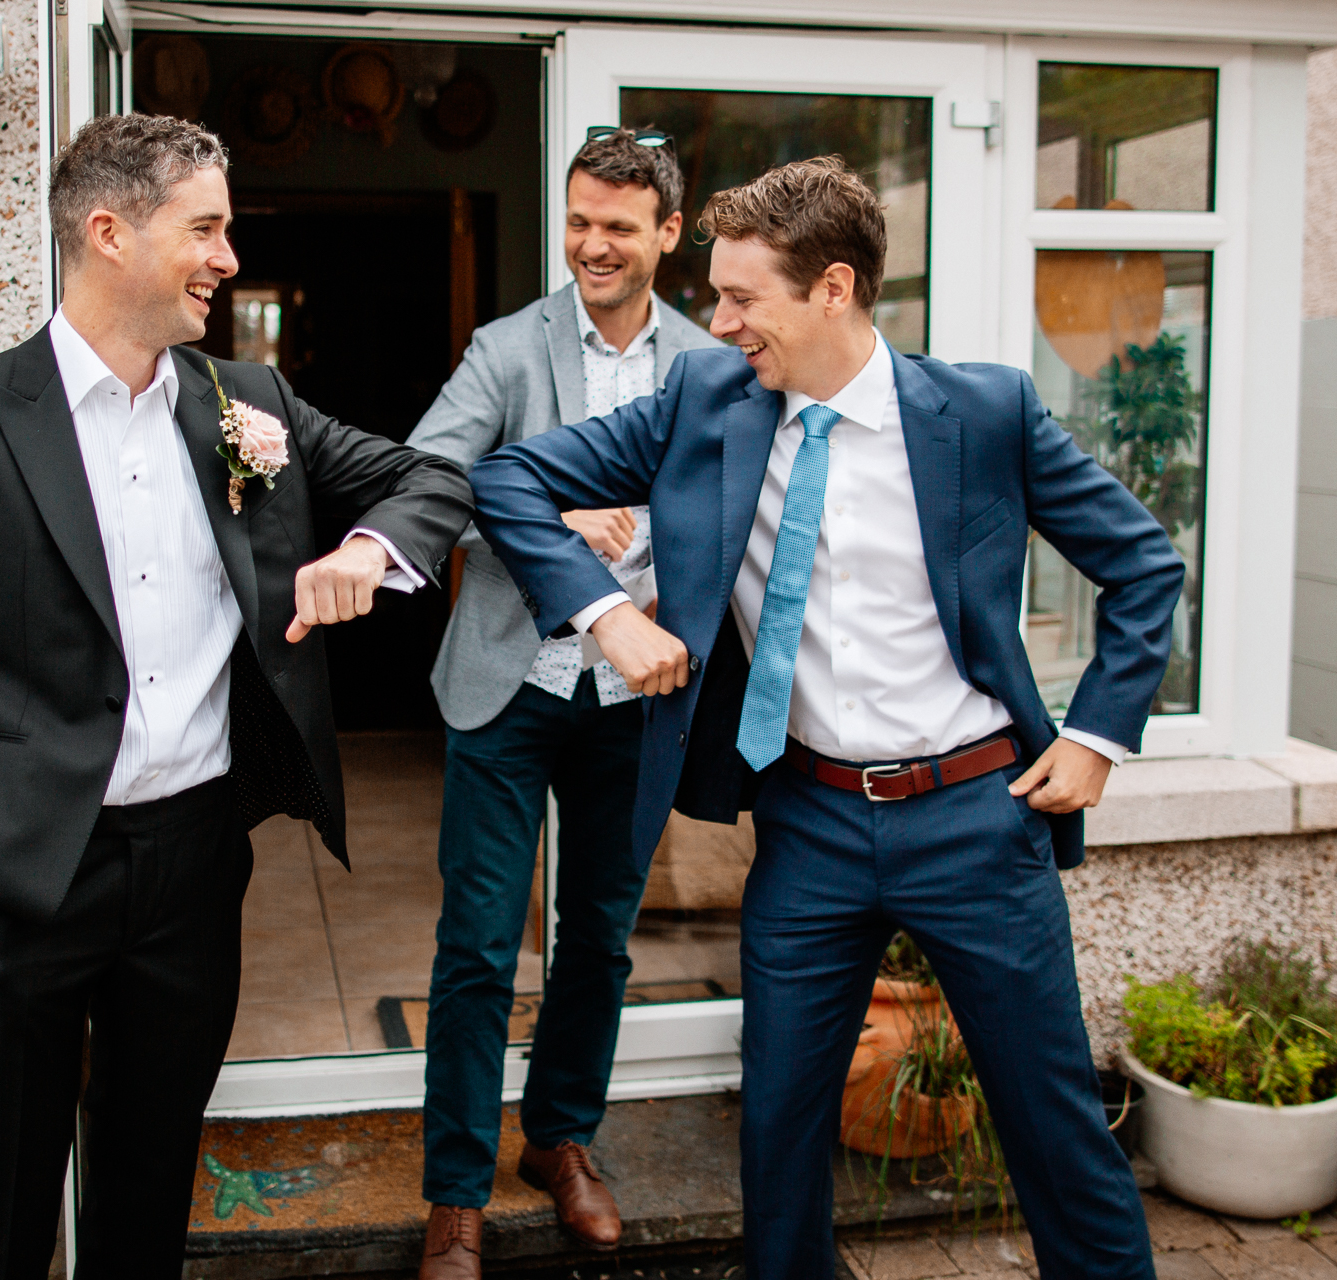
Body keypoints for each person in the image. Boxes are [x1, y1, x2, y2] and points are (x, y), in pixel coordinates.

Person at [469, 157, 1180, 1279]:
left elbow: (1146, 566)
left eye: (743, 297)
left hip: (977, 820)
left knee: (1054, 1129)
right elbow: (508, 479)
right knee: (778, 1130)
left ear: (834, 288)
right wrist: (607, 615)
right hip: (808, 822)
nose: (718, 319)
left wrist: (1095, 736)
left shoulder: (984, 412)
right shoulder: (711, 404)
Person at [0, 113, 472, 1280]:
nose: (228, 256)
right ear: (108, 231)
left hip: (191, 863)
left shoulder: (248, 405)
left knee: (147, 1183)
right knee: (0, 1209)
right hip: (18, 881)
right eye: (207, 227)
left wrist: (369, 549)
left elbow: (432, 474)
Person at [404, 127, 722, 1280]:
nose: (591, 243)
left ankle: (560, 1140)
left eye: (618, 227)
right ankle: (453, 1193)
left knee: (597, 936)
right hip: (510, 681)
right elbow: (430, 478)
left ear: (668, 236)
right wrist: (544, 522)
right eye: (578, 220)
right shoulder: (507, 347)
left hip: (635, 694)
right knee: (479, 944)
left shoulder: (708, 360)